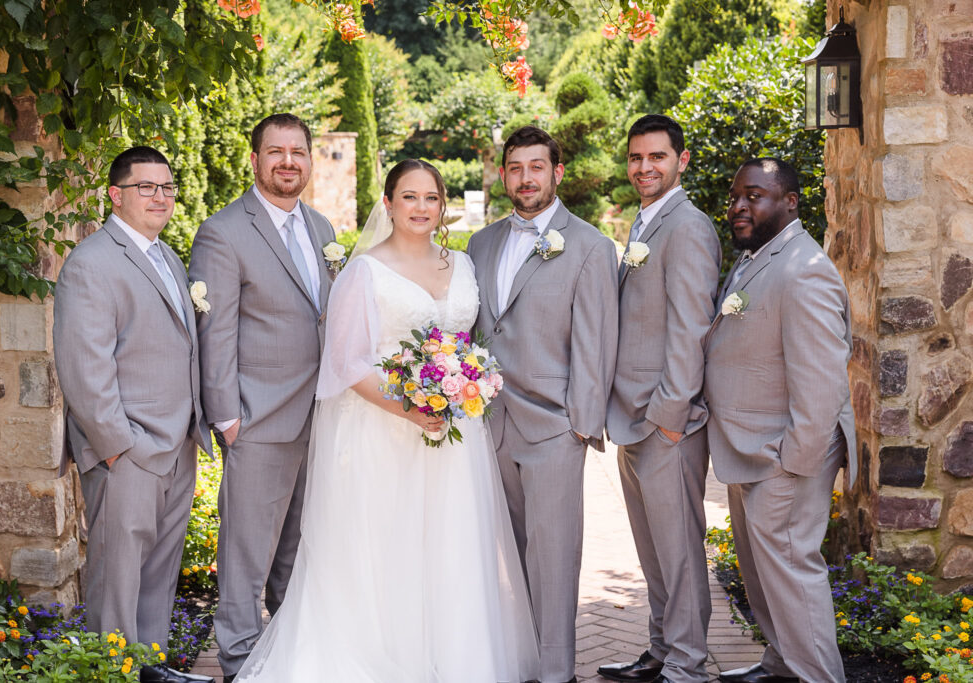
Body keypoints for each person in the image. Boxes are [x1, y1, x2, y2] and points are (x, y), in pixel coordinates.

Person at [234, 159, 539, 682]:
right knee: (389, 548)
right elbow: (346, 364)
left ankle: (451, 659)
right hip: (383, 432)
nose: (421, 208)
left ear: (443, 207)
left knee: (450, 548)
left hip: (452, 438)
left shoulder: (461, 265)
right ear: (388, 204)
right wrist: (414, 409)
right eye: (410, 197)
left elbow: (465, 346)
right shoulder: (364, 272)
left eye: (431, 199)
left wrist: (467, 384)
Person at [53, 146, 214, 683]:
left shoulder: (167, 257)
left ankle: (150, 669)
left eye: (167, 187)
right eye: (146, 187)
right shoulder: (92, 263)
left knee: (158, 573)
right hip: (129, 450)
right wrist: (119, 446)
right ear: (116, 195)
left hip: (177, 444)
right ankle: (111, 673)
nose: (160, 197)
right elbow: (83, 369)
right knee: (117, 577)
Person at [467, 125, 619, 683]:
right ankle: (519, 660)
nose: (525, 178)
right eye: (515, 167)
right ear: (503, 174)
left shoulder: (590, 246)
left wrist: (580, 425)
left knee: (553, 561)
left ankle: (555, 672)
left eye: (537, 167)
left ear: (557, 173)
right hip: (490, 423)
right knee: (506, 555)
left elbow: (596, 342)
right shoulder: (481, 243)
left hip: (554, 427)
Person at [188, 114, 336, 682]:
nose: (288, 162)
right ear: (255, 160)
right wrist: (227, 416)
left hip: (317, 418)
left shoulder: (322, 229)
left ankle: (285, 654)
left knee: (296, 552)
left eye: (297, 151)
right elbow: (216, 330)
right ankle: (240, 662)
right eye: (276, 152)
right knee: (246, 556)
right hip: (255, 419)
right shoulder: (224, 231)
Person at [705, 158, 856, 683]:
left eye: (755, 196)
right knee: (761, 570)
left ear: (790, 202)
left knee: (792, 572)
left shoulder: (804, 270)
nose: (740, 207)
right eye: (735, 197)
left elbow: (821, 385)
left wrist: (792, 463)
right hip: (750, 446)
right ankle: (782, 664)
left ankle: (818, 675)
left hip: (783, 456)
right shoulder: (758, 257)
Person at [598, 115, 721, 683]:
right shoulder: (645, 226)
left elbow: (691, 328)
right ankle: (660, 649)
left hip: (664, 423)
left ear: (682, 160)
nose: (645, 168)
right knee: (651, 552)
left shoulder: (688, 227)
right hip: (633, 418)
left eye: (657, 158)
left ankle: (689, 664)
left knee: (678, 553)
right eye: (636, 158)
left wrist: (669, 420)